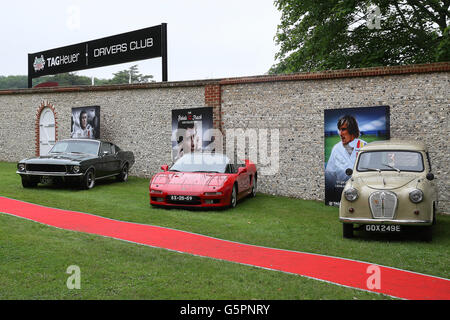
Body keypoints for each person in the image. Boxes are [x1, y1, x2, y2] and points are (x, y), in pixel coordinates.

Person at [325, 115, 367, 192]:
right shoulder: (336, 148)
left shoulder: (364, 146)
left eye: (343, 129)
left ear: (352, 130)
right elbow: (330, 174)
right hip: (340, 191)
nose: (340, 133)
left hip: (361, 191)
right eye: (339, 130)